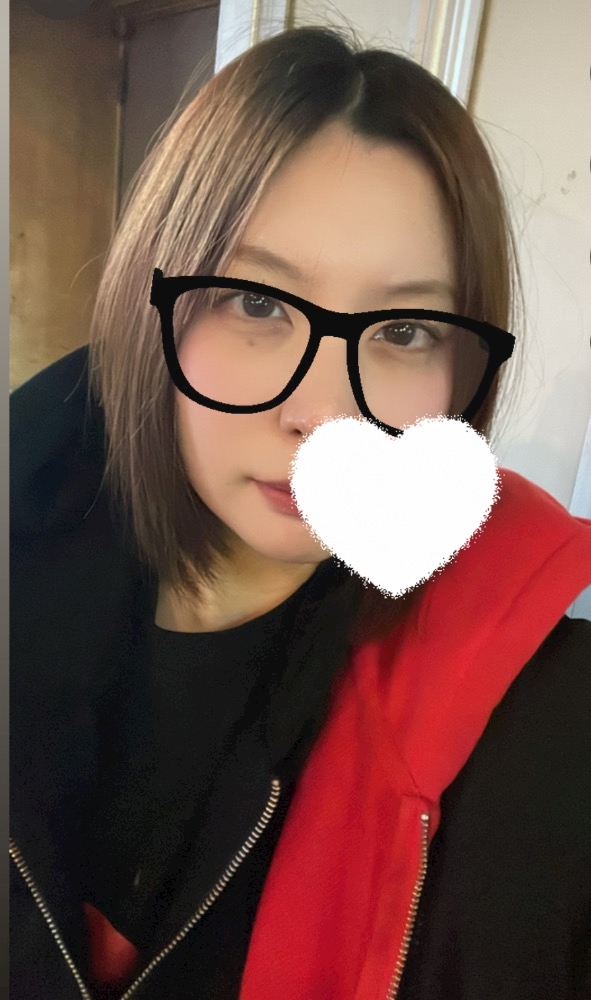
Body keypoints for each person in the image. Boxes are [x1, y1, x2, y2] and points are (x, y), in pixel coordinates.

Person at [9, 23, 591, 1000]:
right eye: (257, 304)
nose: (322, 413)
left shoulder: (547, 726)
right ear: (153, 302)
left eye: (403, 329)